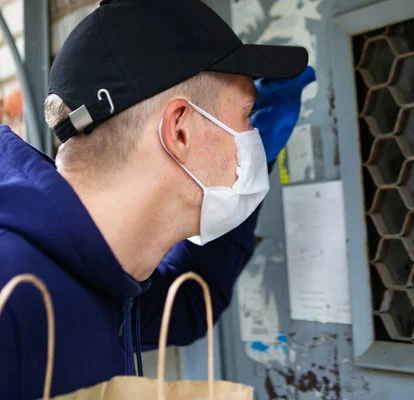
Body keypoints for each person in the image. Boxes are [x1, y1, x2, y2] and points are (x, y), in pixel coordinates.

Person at [0, 0, 316, 398]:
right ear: (180, 131)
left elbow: (188, 302)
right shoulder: (14, 291)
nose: (251, 137)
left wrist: (259, 161)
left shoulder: (97, 273)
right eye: (247, 117)